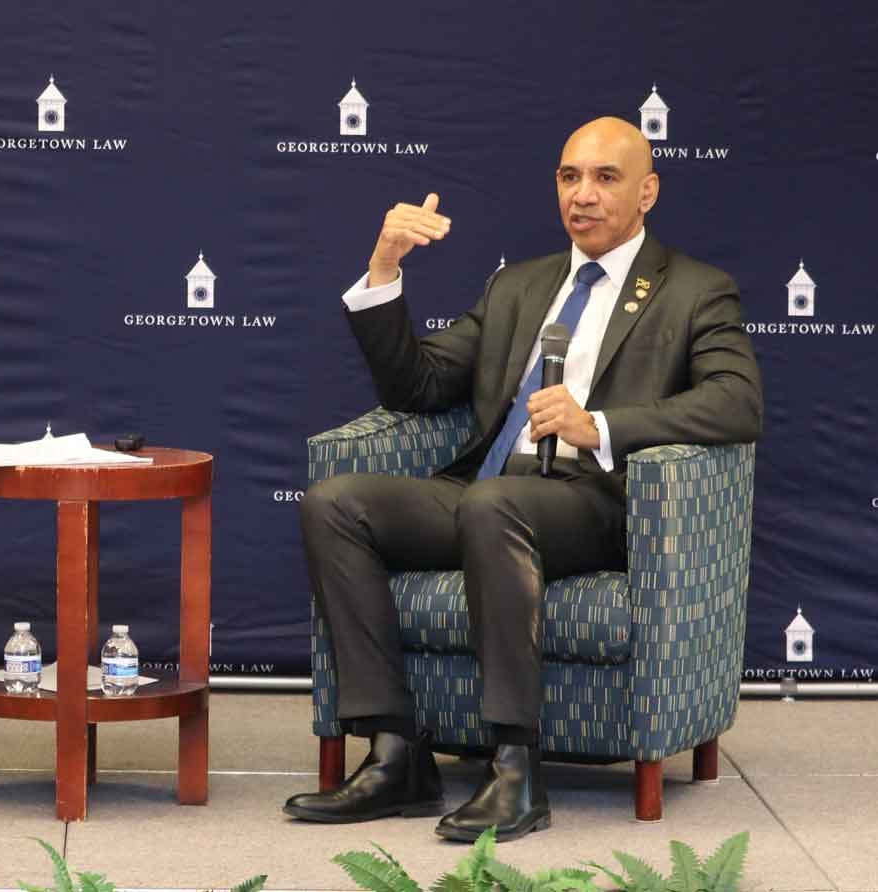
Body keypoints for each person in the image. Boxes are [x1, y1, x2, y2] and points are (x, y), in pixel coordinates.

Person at [282, 117, 762, 841]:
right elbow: (418, 385)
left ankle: (516, 768)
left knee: (493, 504)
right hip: (489, 492)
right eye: (570, 177)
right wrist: (385, 271)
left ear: (648, 191)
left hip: (597, 503)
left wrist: (598, 424)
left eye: (606, 178)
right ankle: (393, 752)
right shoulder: (518, 285)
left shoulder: (694, 289)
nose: (584, 195)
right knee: (335, 503)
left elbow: (737, 400)